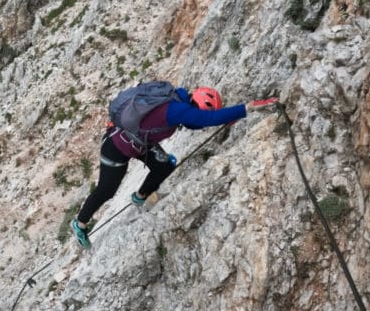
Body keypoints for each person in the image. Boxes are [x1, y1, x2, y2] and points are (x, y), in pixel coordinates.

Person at [70, 86, 277, 249]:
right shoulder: (177, 111)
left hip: (140, 142)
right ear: (197, 107)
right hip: (117, 147)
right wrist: (246, 108)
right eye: (197, 115)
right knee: (107, 190)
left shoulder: (176, 98)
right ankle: (79, 224)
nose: (195, 122)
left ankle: (140, 197)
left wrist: (229, 117)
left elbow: (201, 120)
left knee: (165, 164)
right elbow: (207, 120)